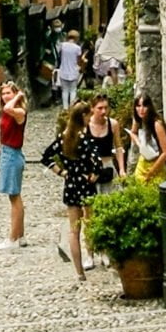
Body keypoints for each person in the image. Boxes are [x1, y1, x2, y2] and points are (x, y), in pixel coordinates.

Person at [41, 93, 116, 280]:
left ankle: (79, 272)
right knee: (90, 222)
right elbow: (98, 163)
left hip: (71, 183)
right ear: (83, 117)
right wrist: (94, 174)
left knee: (74, 230)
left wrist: (62, 172)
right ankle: (94, 254)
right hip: (85, 184)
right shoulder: (85, 139)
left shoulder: (64, 138)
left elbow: (46, 157)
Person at [0, 77, 29, 247]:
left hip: (13, 156)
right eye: (3, 93)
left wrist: (18, 96)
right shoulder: (8, 112)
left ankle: (12, 238)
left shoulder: (18, 112)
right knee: (14, 196)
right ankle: (20, 236)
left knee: (14, 197)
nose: (5, 96)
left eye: (9, 93)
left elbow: (7, 107)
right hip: (7, 152)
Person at [127, 93, 166, 184]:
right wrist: (139, 143)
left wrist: (152, 172)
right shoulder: (138, 120)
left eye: (144, 106)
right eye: (138, 106)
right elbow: (133, 132)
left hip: (156, 163)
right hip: (143, 161)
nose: (141, 109)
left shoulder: (157, 124)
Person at [53, 26, 83, 108]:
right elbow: (79, 60)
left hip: (63, 71)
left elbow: (58, 55)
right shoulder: (77, 48)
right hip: (73, 71)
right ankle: (72, 107)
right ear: (76, 38)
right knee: (73, 90)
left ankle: (65, 108)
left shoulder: (62, 46)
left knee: (64, 91)